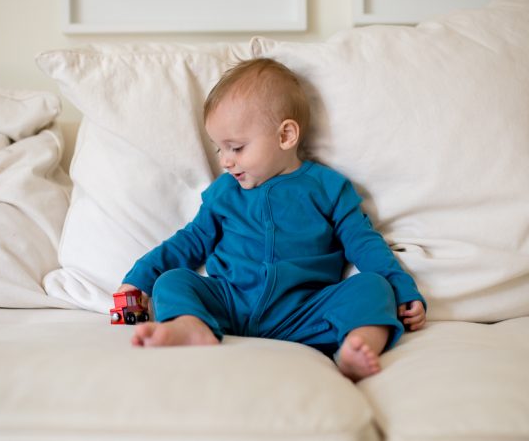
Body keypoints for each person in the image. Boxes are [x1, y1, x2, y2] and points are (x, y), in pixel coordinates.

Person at [117, 58, 426, 381]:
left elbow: (363, 243)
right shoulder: (224, 193)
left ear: (286, 135)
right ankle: (192, 327)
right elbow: (189, 241)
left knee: (374, 287)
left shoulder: (328, 188)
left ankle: (357, 346)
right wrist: (139, 279)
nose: (225, 162)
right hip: (230, 303)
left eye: (236, 148)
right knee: (173, 281)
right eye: (219, 149)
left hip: (304, 310)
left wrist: (402, 289)